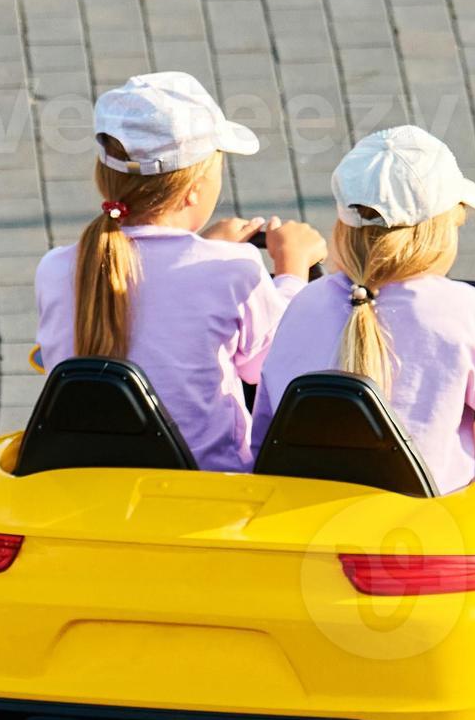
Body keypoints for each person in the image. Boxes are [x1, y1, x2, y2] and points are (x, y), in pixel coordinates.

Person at [32, 73, 325, 472]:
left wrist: (210, 246)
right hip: (208, 484)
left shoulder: (57, 268)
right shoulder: (233, 268)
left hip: (90, 477)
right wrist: (291, 272)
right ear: (193, 191)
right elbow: (267, 367)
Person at [251, 126, 475, 490]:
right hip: (433, 525)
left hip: (307, 517)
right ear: (438, 232)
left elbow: (267, 433)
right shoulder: (463, 311)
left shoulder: (303, 305)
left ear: (343, 227)